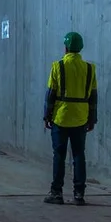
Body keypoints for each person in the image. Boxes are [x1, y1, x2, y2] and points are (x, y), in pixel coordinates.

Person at [43, 32, 98, 206]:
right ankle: (79, 194)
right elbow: (93, 97)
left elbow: (50, 95)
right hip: (81, 117)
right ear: (80, 48)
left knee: (59, 155)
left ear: (65, 47)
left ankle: (57, 193)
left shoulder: (57, 66)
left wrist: (47, 116)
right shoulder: (90, 69)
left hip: (61, 116)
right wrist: (92, 119)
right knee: (79, 155)